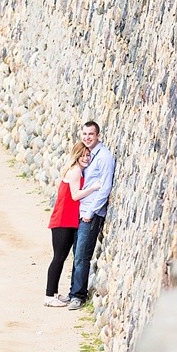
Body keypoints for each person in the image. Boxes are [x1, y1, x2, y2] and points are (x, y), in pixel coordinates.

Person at [64, 121, 115, 310]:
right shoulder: (89, 155)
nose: (87, 137)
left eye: (90, 134)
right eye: (84, 134)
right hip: (81, 211)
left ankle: (78, 296)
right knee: (76, 253)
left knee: (82, 256)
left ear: (98, 135)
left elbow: (105, 187)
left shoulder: (104, 157)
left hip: (90, 214)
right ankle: (72, 293)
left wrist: (91, 212)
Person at [44, 142, 100, 307]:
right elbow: (75, 196)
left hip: (67, 220)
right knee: (59, 257)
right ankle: (48, 296)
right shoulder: (75, 171)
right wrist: (94, 187)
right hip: (62, 220)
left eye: (88, 155)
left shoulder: (76, 170)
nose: (86, 158)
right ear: (76, 155)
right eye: (82, 155)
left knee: (61, 257)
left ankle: (53, 293)